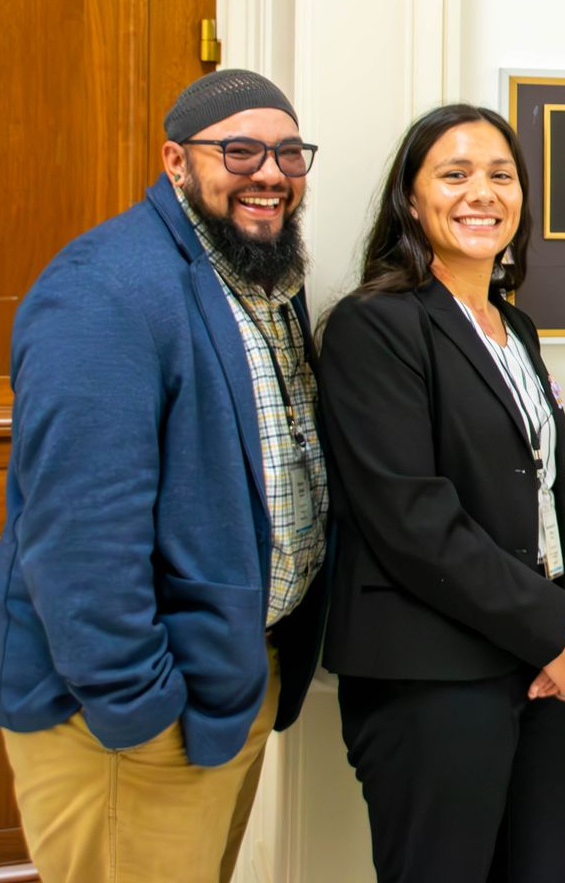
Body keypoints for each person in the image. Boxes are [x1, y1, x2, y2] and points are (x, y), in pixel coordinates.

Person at [1, 69, 330, 883]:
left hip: (231, 686)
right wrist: (140, 708)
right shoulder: (103, 287)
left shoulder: (259, 280)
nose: (270, 173)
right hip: (133, 720)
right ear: (175, 161)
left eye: (289, 153)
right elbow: (78, 538)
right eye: (241, 150)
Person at [319, 103, 565, 882]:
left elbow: (553, 494)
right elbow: (413, 520)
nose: (481, 193)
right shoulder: (372, 327)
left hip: (542, 673)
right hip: (434, 681)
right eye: (454, 175)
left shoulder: (519, 330)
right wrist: (552, 625)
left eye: (500, 176)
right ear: (411, 201)